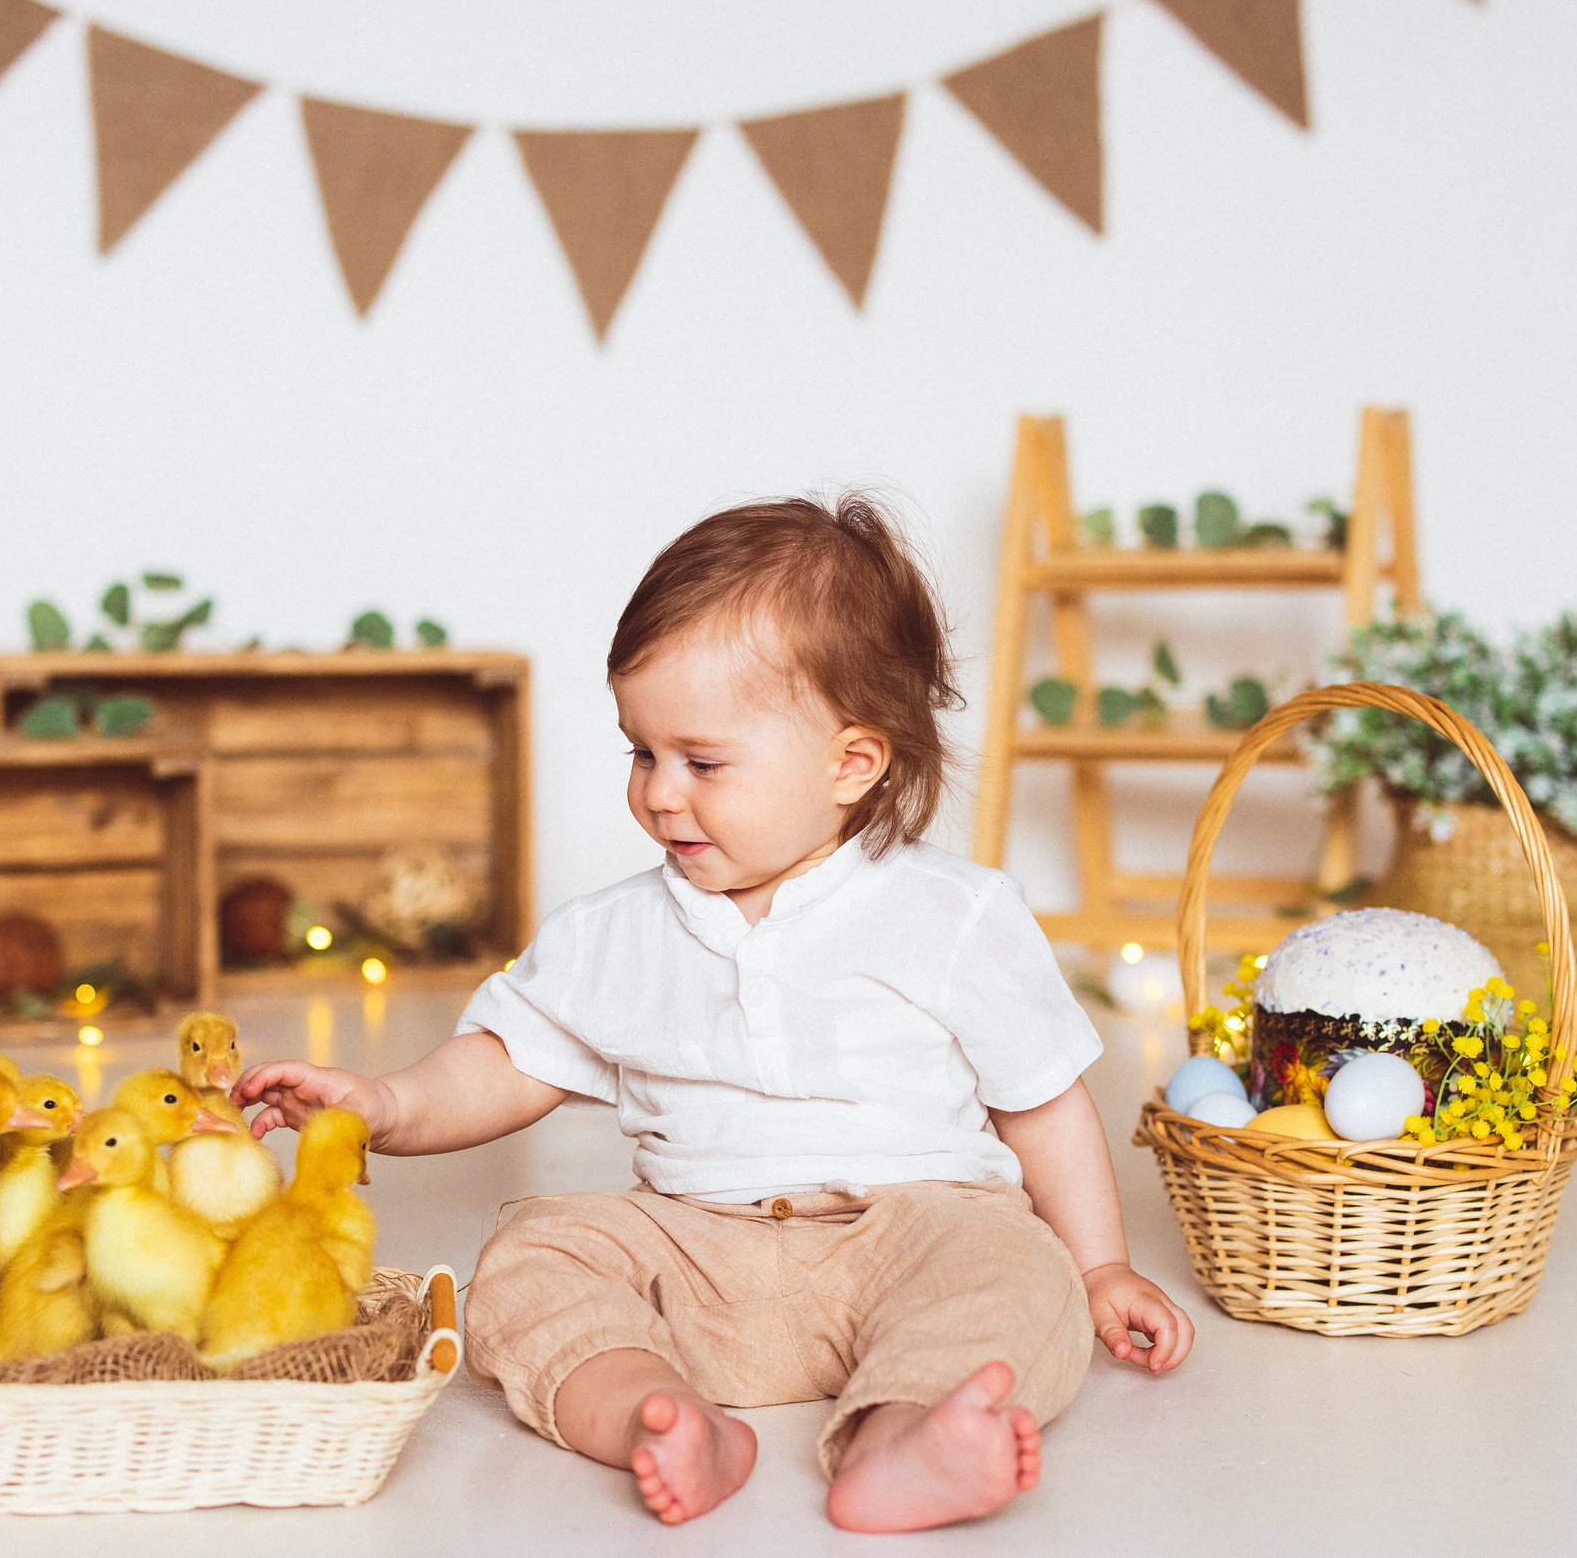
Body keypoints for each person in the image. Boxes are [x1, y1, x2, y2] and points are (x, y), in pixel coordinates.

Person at [240, 492, 1192, 1532]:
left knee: (1015, 1272)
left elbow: (1041, 1104)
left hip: (918, 1229)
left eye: (701, 761)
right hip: (698, 1251)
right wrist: (380, 1100)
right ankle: (659, 1416)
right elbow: (505, 1060)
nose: (657, 793)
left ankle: (901, 1439)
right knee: (530, 1257)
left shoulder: (954, 913)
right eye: (639, 752)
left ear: (850, 763)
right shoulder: (615, 931)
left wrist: (1098, 1265)